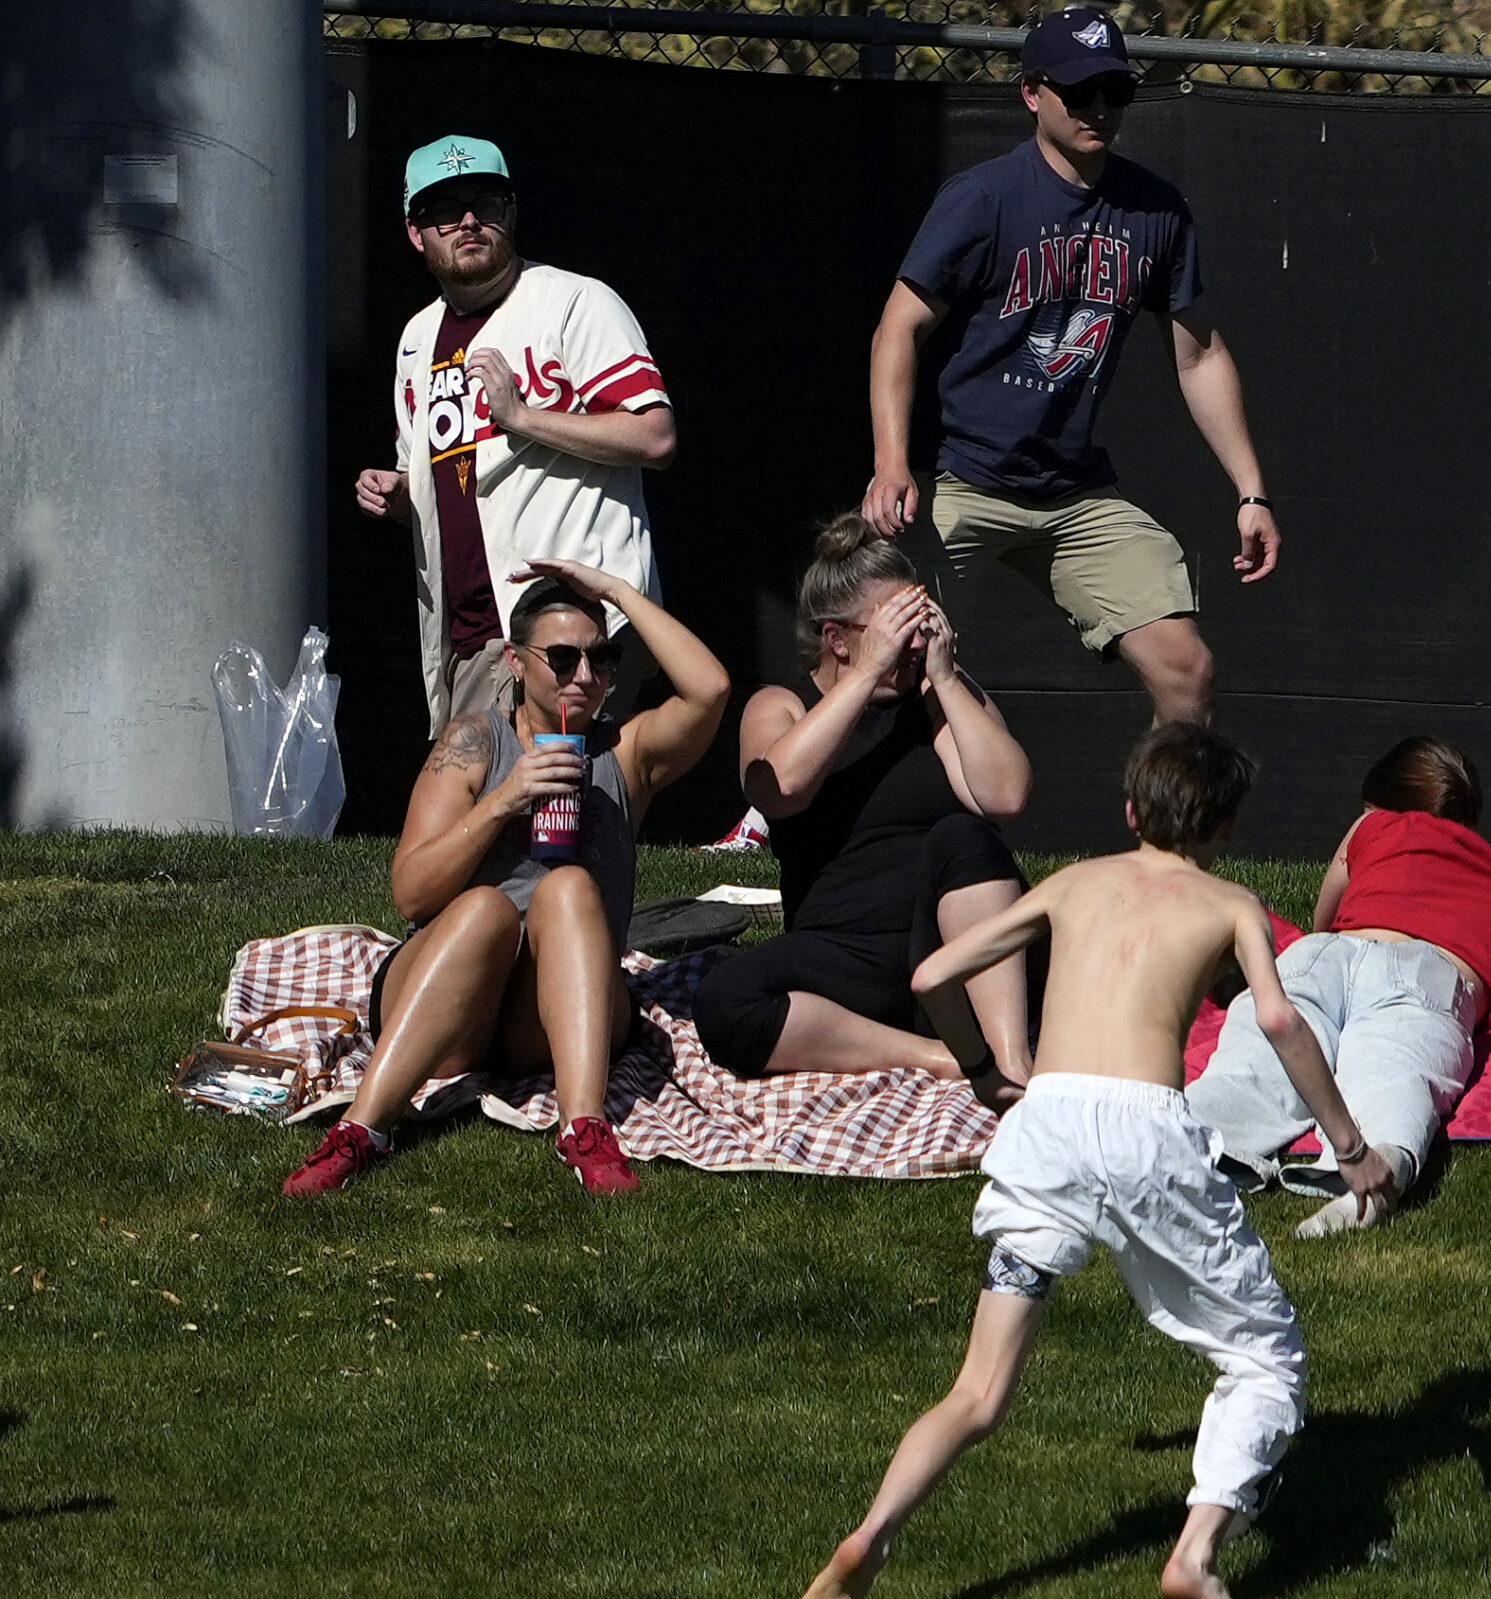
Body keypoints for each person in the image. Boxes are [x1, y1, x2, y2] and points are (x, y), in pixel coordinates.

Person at [792, 723, 1391, 1599]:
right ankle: (1194, 1555)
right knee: (1265, 1356)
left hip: (1050, 1129)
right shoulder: (1231, 901)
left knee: (980, 1393)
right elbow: (1277, 1019)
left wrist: (984, 1066)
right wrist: (1350, 1147)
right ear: (1227, 825)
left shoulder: (1072, 880)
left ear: (1127, 810)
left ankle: (872, 1535)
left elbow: (934, 970)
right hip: (1145, 1133)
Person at [862, 6, 1279, 726]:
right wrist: (892, 463)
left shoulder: (1156, 213)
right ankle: (777, 811)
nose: (1099, 109)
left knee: (1189, 669)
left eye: (1114, 92)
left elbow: (1200, 354)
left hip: (1073, 493)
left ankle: (1162, 839)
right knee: (871, 642)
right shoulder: (982, 199)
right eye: (1079, 91)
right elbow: (899, 329)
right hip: (959, 476)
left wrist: (1251, 491)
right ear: (1032, 93)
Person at [280, 561, 729, 1197]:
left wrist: (617, 592)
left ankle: (585, 1130)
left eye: (602, 660)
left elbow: (709, 689)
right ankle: (360, 1132)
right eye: (564, 657)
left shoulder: (623, 754)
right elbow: (410, 892)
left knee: (567, 888)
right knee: (486, 908)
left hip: (543, 1020)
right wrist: (502, 802)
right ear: (517, 663)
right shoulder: (475, 741)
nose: (585, 676)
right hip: (455, 998)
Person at [691, 515, 1037, 1083]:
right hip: (845, 952)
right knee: (725, 999)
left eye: (921, 623)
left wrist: (946, 684)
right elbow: (778, 790)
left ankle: (1008, 1064)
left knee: (963, 835)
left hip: (960, 946)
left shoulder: (937, 695)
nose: (914, 645)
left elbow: (1006, 797)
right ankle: (944, 1058)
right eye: (897, 630)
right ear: (838, 639)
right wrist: (867, 675)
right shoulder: (783, 705)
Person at [1187, 736, 1491, 1239]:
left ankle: (1186, 1141)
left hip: (1329, 954)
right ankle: (1368, 1181)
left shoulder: (1374, 826)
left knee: (1251, 1066)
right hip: (1425, 973)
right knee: (1396, 1078)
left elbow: (1323, 919)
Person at [354, 135, 678, 733]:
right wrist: (398, 493)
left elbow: (654, 435)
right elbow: (438, 485)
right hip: (472, 633)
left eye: (487, 203)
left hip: (571, 628)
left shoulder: (575, 301)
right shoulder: (417, 337)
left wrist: (525, 418)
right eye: (446, 210)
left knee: (543, 810)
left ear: (512, 213)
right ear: (415, 232)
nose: (469, 222)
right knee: (488, 813)